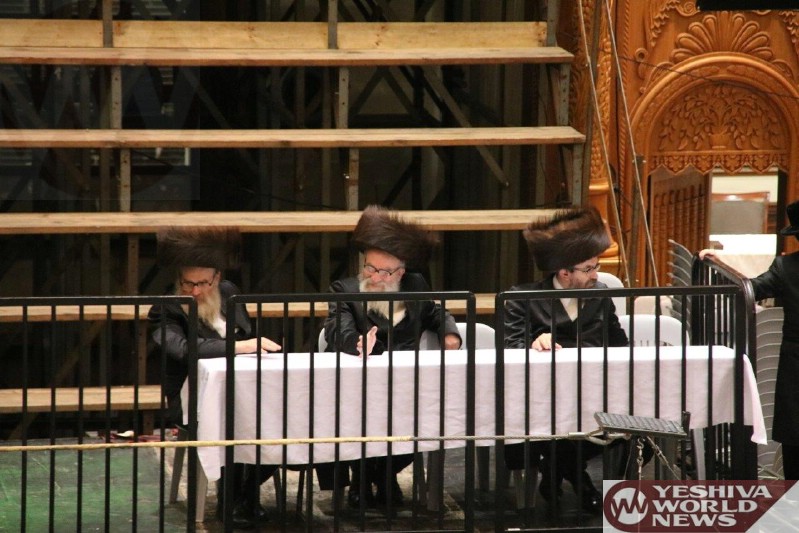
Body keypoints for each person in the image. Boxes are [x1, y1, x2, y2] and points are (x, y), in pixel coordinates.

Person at [321, 205, 461, 508]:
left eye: (384, 272)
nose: (374, 277)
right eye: (370, 268)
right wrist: (358, 343)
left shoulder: (415, 285)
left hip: (406, 383)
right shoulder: (345, 289)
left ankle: (385, 475)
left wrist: (449, 334)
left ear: (400, 273)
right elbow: (336, 329)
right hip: (359, 384)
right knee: (356, 422)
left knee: (423, 419)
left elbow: (437, 312)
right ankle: (361, 478)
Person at [148, 227, 281, 529]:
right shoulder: (166, 307)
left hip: (242, 388)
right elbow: (183, 349)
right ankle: (232, 498)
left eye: (202, 284)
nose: (195, 291)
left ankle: (245, 492)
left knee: (279, 417)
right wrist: (239, 346)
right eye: (188, 283)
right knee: (233, 420)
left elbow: (246, 333)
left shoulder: (230, 293)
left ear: (217, 278)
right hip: (192, 396)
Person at [503, 206, 629, 514]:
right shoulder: (522, 298)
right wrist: (533, 343)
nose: (595, 275)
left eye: (596, 267)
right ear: (564, 272)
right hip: (543, 399)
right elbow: (511, 347)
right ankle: (582, 485)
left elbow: (620, 344)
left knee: (629, 426)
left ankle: (554, 474)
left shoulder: (600, 294)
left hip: (595, 394)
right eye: (588, 269)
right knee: (554, 426)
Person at [700, 199, 799, 481]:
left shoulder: (786, 267)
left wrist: (720, 264)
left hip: (796, 373)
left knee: (795, 453)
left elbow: (748, 290)